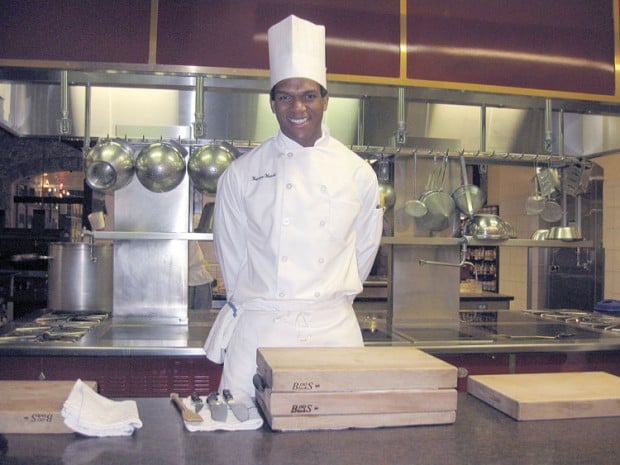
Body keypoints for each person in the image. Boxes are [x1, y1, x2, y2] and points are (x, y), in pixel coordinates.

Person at [204, 15, 383, 399]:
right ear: (272, 103)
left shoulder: (357, 173)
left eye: (308, 95)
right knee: (243, 443)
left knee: (336, 444)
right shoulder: (242, 174)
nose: (297, 106)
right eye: (285, 96)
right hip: (261, 329)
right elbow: (232, 259)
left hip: (333, 331)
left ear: (325, 100)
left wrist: (328, 299)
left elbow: (364, 251)